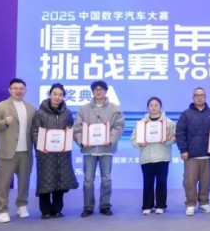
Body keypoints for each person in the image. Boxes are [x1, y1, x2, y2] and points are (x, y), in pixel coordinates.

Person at [0, 78, 36, 223]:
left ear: (25, 90)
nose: (18, 91)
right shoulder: (0, 106)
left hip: (26, 151)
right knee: (3, 183)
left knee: (24, 181)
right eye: (15, 88)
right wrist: (4, 122)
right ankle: (2, 210)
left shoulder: (31, 108)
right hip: (6, 152)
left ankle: (22, 205)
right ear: (9, 90)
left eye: (21, 88)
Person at [73, 80, 125, 217]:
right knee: (88, 180)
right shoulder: (83, 109)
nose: (98, 91)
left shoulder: (114, 109)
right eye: (96, 89)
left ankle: (105, 205)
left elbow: (119, 126)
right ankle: (88, 207)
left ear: (106, 91)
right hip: (89, 150)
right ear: (92, 92)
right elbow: (77, 128)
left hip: (107, 149)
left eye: (101, 89)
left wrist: (110, 140)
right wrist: (82, 142)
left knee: (106, 178)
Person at [30, 83, 78, 219]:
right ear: (50, 95)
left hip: (62, 154)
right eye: (55, 94)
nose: (57, 97)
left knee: (60, 182)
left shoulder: (67, 113)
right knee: (45, 182)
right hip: (45, 153)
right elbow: (34, 131)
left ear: (63, 97)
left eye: (60, 95)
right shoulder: (40, 113)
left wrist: (70, 134)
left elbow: (71, 129)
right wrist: (41, 146)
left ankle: (57, 209)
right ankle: (45, 210)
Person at [131, 97, 176, 216]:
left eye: (156, 105)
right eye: (151, 105)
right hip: (147, 157)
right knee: (148, 182)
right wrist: (141, 144)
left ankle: (161, 205)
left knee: (161, 182)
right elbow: (133, 139)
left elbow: (175, 137)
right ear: (148, 107)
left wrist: (167, 140)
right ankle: (147, 206)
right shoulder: (142, 123)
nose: (154, 107)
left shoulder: (168, 122)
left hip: (162, 157)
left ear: (160, 107)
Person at [176, 87, 210, 216]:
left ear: (206, 97)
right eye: (197, 95)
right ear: (193, 98)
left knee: (206, 181)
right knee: (190, 181)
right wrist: (183, 150)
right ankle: (190, 204)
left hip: (207, 154)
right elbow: (180, 133)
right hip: (191, 155)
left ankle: (204, 203)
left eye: (202, 95)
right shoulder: (186, 114)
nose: (199, 97)